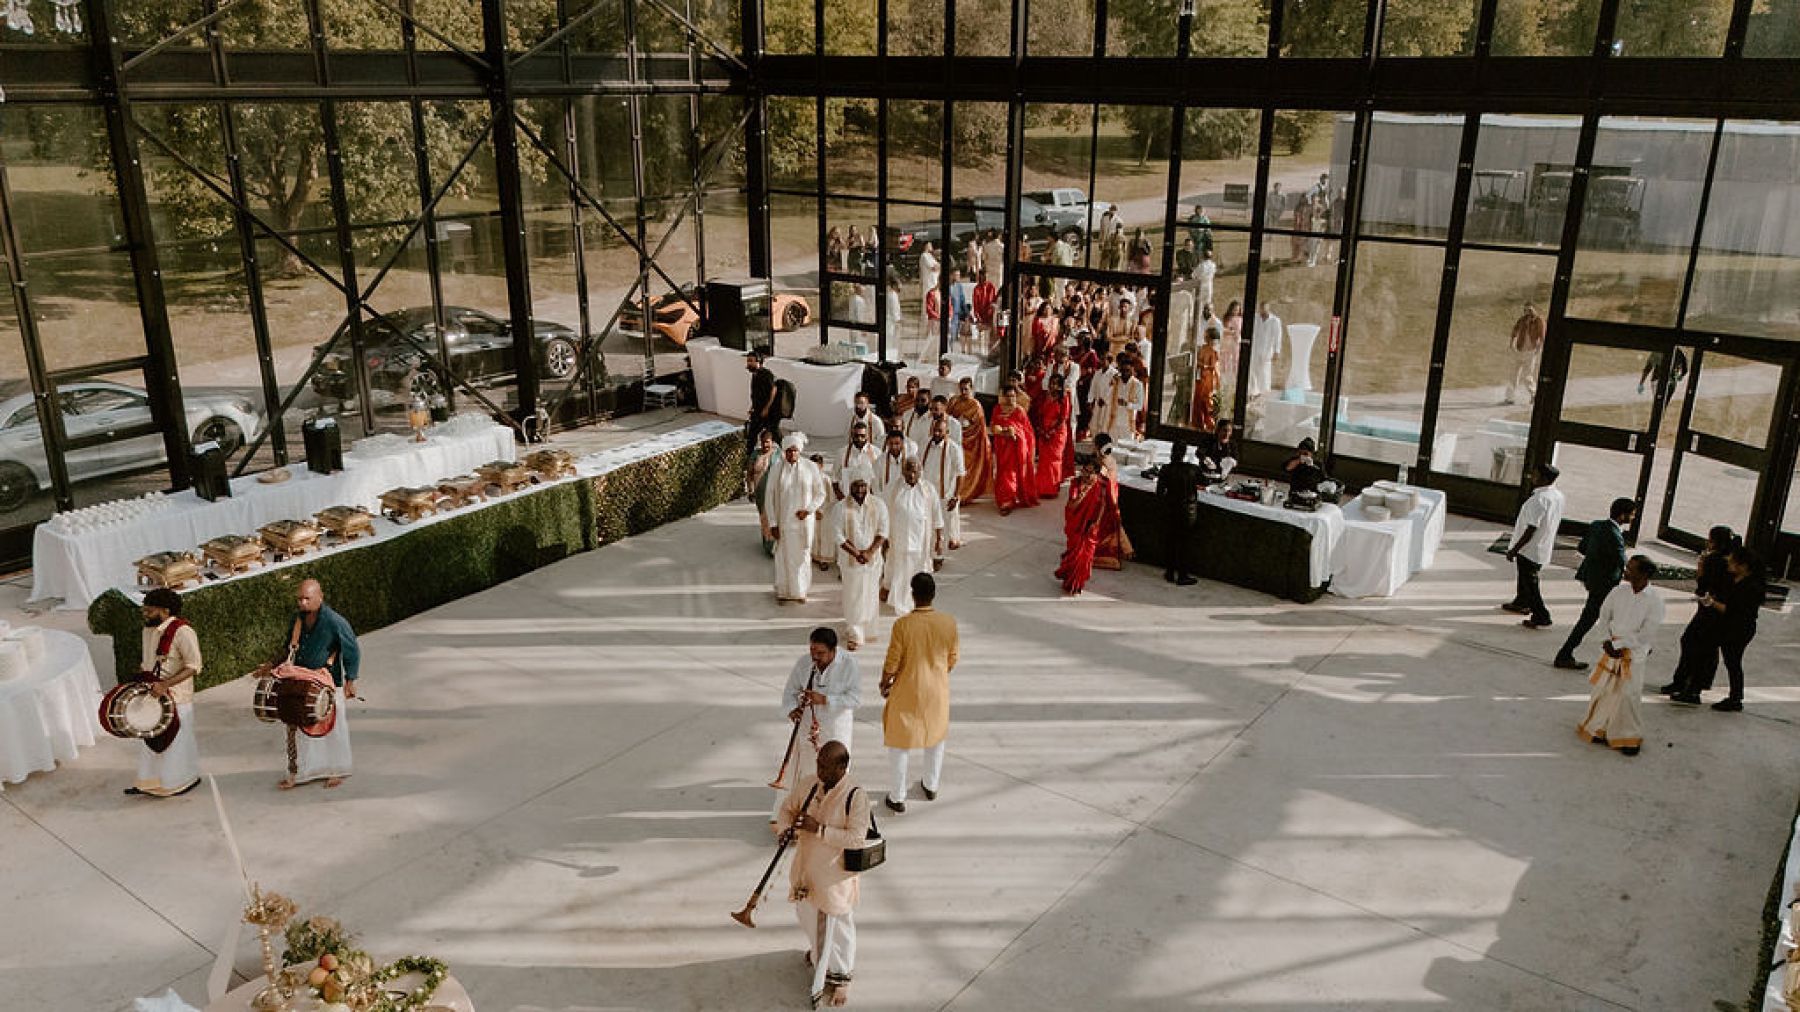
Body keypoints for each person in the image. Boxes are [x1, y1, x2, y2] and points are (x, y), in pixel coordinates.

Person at [776, 739, 869, 1008]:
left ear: (842, 767)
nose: (819, 771)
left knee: (836, 930)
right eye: (818, 763)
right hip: (806, 872)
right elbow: (787, 809)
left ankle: (841, 978)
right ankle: (820, 959)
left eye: (826, 766)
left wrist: (819, 829)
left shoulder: (856, 796)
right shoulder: (809, 784)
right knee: (806, 916)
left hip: (834, 881)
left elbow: (856, 839)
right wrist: (785, 829)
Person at [880, 572, 958, 813]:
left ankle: (897, 795)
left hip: (908, 688)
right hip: (937, 690)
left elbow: (893, 660)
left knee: (899, 741)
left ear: (913, 595)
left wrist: (885, 681)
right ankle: (931, 785)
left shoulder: (903, 625)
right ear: (933, 595)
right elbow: (952, 658)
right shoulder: (948, 623)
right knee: (935, 737)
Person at [1575, 556, 1666, 757]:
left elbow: (1646, 634)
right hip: (1610, 650)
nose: (1626, 571)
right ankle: (1599, 728)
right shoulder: (1618, 591)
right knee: (1604, 690)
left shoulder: (1655, 601)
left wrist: (1619, 645)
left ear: (1643, 574)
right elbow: (1604, 615)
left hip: (1633, 654)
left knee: (1627, 695)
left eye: (1631, 569)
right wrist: (1606, 640)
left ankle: (1628, 736)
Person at [279, 579, 360, 790]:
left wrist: (351, 679)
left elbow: (351, 649)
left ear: (319, 597)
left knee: (333, 729)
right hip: (301, 683)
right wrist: (272, 664)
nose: (302, 603)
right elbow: (288, 646)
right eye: (300, 599)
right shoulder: (297, 620)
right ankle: (302, 771)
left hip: (329, 683)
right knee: (301, 727)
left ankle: (335, 770)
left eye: (307, 598)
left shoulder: (334, 621)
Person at [773, 628, 861, 821]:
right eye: (812, 651)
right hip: (808, 728)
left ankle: (834, 816)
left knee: (836, 773)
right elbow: (790, 692)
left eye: (820, 653)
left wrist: (826, 699)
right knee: (809, 771)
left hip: (836, 729)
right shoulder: (804, 663)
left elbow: (855, 699)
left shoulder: (849, 664)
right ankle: (807, 812)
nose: (815, 657)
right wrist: (792, 709)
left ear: (833, 651)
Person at [124, 587, 203, 798]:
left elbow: (194, 666)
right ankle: (147, 782)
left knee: (176, 741)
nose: (145, 614)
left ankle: (180, 781)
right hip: (153, 695)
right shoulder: (148, 630)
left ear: (165, 611)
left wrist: (166, 684)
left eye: (149, 611)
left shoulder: (183, 632)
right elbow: (148, 662)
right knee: (150, 738)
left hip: (177, 697)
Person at [1553, 497, 1635, 670]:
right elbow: (1623, 562)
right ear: (1622, 516)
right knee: (1590, 620)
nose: (1633, 518)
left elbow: (1582, 548)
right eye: (1632, 514)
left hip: (1592, 579)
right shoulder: (1616, 537)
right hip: (1605, 585)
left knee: (1599, 618)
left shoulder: (1597, 525)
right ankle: (1565, 653)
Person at [1661, 525, 1737, 702]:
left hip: (1710, 609)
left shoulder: (1714, 560)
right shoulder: (1729, 559)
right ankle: (1691, 683)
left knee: (1693, 644)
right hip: (1719, 612)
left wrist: (1701, 568)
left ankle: (1689, 686)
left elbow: (1702, 587)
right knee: (1706, 648)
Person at [1686, 545, 1765, 712]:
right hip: (1727, 626)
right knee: (1717, 656)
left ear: (1743, 566)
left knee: (1732, 661)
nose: (1728, 562)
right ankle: (1697, 689)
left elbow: (1732, 609)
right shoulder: (1735, 580)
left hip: (1738, 629)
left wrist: (1711, 603)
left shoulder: (1751, 587)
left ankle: (1735, 698)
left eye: (1733, 561)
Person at [765, 433, 829, 605]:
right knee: (783, 557)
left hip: (803, 523)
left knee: (802, 557)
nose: (792, 454)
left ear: (799, 451)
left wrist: (808, 510)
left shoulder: (810, 467)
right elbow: (769, 497)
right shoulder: (776, 469)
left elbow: (820, 493)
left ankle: (800, 591)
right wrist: (772, 523)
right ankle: (784, 591)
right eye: (788, 451)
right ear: (784, 451)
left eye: (795, 451)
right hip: (783, 523)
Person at [1503, 464, 1565, 631]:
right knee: (1524, 579)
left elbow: (1531, 528)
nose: (1532, 477)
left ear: (1544, 479)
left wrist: (1514, 549)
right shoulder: (1557, 496)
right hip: (1542, 546)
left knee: (1531, 583)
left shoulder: (1539, 500)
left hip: (1530, 549)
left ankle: (1541, 616)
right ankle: (1521, 602)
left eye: (1535, 475)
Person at [882, 457, 945, 615]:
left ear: (920, 471)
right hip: (899, 540)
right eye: (908, 470)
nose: (911, 474)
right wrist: (882, 536)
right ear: (903, 471)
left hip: (920, 541)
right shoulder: (893, 487)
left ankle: (918, 601)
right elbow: (883, 512)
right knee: (899, 570)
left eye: (915, 471)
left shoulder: (928, 489)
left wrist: (939, 538)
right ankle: (899, 601)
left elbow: (937, 515)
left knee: (918, 572)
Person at [835, 471, 889, 651]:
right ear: (849, 486)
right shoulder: (840, 507)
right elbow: (838, 535)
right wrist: (856, 553)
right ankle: (855, 633)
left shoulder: (879, 504)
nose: (860, 490)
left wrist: (870, 552)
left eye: (863, 486)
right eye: (856, 486)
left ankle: (869, 629)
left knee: (870, 594)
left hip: (872, 561)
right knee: (853, 596)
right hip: (850, 561)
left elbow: (883, 531)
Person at [1056, 459, 1116, 595]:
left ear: (1096, 474)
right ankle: (1070, 581)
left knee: (1086, 557)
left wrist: (1096, 522)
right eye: (1085, 471)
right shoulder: (1076, 483)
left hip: (1091, 527)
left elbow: (1103, 505)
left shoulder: (1101, 485)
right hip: (1076, 524)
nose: (1087, 475)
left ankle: (1078, 583)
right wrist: (1085, 491)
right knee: (1074, 554)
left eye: (1091, 472)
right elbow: (1072, 505)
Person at [1157, 442, 1202, 586]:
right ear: (1184, 454)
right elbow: (1206, 480)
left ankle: (1170, 572)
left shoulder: (1165, 469)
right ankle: (1183, 575)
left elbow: (1159, 492)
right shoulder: (1192, 469)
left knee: (1170, 541)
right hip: (1188, 511)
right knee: (1185, 544)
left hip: (1171, 509)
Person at [920, 416, 965, 559]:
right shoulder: (925, 444)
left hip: (944, 495)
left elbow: (960, 474)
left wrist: (956, 496)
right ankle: (928, 554)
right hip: (926, 494)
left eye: (940, 431)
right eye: (935, 430)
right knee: (927, 526)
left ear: (947, 432)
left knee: (942, 528)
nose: (937, 434)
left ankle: (939, 557)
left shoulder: (954, 449)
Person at [989, 386, 1038, 515]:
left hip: (1016, 447)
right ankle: (1004, 498)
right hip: (1001, 447)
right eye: (1008, 396)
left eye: (1013, 396)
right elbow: (993, 425)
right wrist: (1001, 431)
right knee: (1002, 471)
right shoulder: (997, 409)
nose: (1011, 398)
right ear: (1004, 397)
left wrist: (1013, 432)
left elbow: (1027, 431)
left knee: (1010, 474)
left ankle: (1008, 501)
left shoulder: (1019, 411)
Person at [1090, 434, 1134, 571]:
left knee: (1101, 527)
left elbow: (1101, 482)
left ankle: (1102, 556)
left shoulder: (1102, 464)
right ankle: (1125, 549)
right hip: (1112, 496)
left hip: (1104, 499)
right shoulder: (1112, 460)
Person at [947, 376, 992, 504]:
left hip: (971, 443)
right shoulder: (954, 401)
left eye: (966, 389)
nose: (963, 392)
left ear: (971, 389)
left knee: (967, 470)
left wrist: (964, 430)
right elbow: (948, 417)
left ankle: (965, 495)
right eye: (961, 389)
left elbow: (978, 427)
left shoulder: (975, 405)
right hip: (954, 439)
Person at [1031, 372, 1073, 498]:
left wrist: (1051, 432)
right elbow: (1039, 414)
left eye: (1056, 384)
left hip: (1057, 434)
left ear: (1061, 386)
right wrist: (1041, 430)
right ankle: (1041, 488)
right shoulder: (1045, 396)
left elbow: (1063, 418)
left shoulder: (1064, 398)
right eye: (1051, 383)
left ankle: (1052, 489)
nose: (1053, 386)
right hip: (1044, 431)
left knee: (1054, 460)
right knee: (1043, 460)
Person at [1090, 358, 1143, 444]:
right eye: (1123, 370)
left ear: (1132, 370)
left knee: (1125, 450)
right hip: (1113, 423)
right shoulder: (1115, 381)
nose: (1125, 373)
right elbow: (1106, 397)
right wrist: (1111, 383)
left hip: (1127, 425)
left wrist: (1127, 404)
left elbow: (1139, 406)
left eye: (1127, 370)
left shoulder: (1138, 384)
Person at [1506, 302, 1546, 406]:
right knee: (1513, 374)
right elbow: (1515, 330)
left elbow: (1542, 336)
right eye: (1526, 310)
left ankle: (1534, 394)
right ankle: (1510, 398)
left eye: (1530, 310)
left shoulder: (1539, 321)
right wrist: (1512, 342)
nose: (1528, 313)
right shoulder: (1522, 320)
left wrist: (1538, 348)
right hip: (1520, 350)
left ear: (1534, 310)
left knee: (1527, 376)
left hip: (1530, 352)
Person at [749, 427, 780, 558]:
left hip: (775, 492)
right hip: (760, 491)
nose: (765, 445)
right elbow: (750, 474)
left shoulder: (778, 453)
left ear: (772, 442)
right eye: (763, 442)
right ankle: (768, 545)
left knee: (775, 517)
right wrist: (750, 490)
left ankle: (776, 545)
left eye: (767, 442)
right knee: (764, 518)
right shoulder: (755, 454)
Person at [745, 351, 782, 452]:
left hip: (769, 412)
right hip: (758, 411)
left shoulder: (766, 374)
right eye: (748, 361)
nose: (748, 363)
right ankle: (749, 456)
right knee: (752, 434)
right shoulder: (755, 375)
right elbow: (757, 394)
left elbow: (774, 390)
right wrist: (752, 407)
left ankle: (786, 452)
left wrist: (767, 408)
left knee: (775, 435)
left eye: (751, 361)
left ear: (759, 362)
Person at [1190, 328, 1221, 432]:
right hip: (1203, 378)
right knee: (1200, 400)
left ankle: (1206, 424)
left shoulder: (1212, 352)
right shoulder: (1204, 349)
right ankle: (1201, 423)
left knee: (1206, 401)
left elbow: (1213, 368)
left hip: (1207, 378)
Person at [1248, 303, 1280, 401]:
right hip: (1255, 348)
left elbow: (1277, 336)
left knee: (1264, 371)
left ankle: (1264, 392)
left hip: (1266, 350)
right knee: (1252, 370)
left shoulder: (1275, 321)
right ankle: (1253, 392)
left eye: (1264, 309)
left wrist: (1276, 351)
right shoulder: (1255, 318)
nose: (1262, 311)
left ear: (1268, 308)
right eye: (1261, 309)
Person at [874, 429, 915, 497]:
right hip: (887, 499)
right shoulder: (880, 461)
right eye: (891, 443)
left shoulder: (910, 460)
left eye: (897, 443)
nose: (893, 447)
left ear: (902, 443)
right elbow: (875, 484)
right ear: (887, 443)